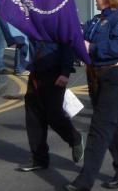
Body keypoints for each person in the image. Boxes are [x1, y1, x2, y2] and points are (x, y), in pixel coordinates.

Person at [65, 0, 118, 191]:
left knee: (100, 127)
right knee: (114, 126)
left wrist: (91, 47)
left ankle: (84, 182)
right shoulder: (98, 20)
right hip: (97, 76)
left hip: (115, 75)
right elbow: (79, 34)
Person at [18, 40, 84, 172]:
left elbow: (68, 46)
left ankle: (74, 139)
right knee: (34, 117)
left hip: (54, 72)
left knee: (54, 116)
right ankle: (39, 158)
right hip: (36, 71)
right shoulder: (33, 21)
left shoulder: (58, 22)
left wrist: (65, 72)